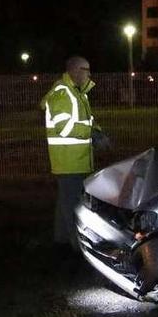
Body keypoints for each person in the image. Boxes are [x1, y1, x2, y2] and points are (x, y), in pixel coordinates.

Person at [41, 56, 108, 254]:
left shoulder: (78, 94)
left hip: (75, 160)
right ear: (75, 70)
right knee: (73, 204)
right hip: (69, 161)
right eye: (86, 69)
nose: (89, 73)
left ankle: (61, 240)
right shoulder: (63, 94)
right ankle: (77, 247)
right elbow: (65, 127)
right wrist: (92, 133)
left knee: (66, 201)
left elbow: (87, 121)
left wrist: (98, 132)